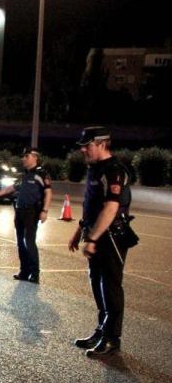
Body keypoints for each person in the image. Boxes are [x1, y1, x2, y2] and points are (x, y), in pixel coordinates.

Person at [67, 127, 133, 357]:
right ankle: (102, 330)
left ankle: (112, 338)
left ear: (102, 144)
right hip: (95, 233)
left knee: (111, 286)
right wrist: (79, 230)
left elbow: (111, 207)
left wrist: (93, 238)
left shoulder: (114, 170)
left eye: (88, 145)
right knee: (97, 283)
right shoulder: (96, 169)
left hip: (112, 236)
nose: (84, 149)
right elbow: (92, 205)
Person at [0, 148, 53, 283]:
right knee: (20, 242)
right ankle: (24, 272)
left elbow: (48, 193)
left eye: (26, 156)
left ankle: (35, 274)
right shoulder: (24, 175)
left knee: (29, 242)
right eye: (23, 156)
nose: (23, 159)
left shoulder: (42, 173)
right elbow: (11, 188)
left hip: (32, 212)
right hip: (19, 211)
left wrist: (45, 211)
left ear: (35, 158)